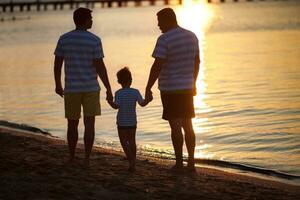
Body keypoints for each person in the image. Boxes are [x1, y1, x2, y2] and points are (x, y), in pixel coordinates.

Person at [54, 7, 113, 166]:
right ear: (86, 20)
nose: (92, 21)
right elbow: (100, 67)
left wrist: (58, 84)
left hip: (71, 88)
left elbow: (57, 65)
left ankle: (72, 157)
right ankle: (86, 158)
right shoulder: (94, 40)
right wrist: (108, 87)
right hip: (90, 88)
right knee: (89, 124)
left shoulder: (64, 39)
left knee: (72, 124)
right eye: (91, 19)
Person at [145, 8, 200, 171]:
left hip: (170, 88)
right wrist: (193, 82)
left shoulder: (164, 39)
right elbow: (197, 61)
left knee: (175, 126)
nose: (158, 25)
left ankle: (179, 163)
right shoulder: (192, 36)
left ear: (168, 20)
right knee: (188, 125)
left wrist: (148, 87)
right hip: (187, 87)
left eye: (160, 21)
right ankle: (191, 162)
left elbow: (157, 65)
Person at [107, 67, 152, 172]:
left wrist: (109, 101)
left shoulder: (118, 93)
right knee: (132, 141)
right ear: (131, 79)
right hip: (132, 122)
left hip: (122, 122)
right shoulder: (135, 92)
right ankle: (133, 162)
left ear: (118, 81)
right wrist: (148, 100)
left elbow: (116, 106)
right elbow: (142, 103)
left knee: (124, 142)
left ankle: (131, 160)